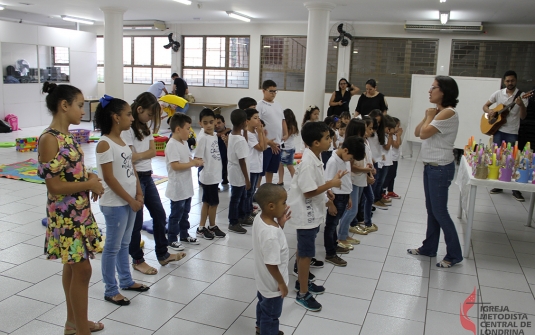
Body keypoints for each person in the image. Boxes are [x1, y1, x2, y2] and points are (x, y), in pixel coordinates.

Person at [38, 82, 105, 335]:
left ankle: (74, 322)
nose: (82, 110)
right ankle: (80, 330)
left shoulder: (69, 136)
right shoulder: (49, 139)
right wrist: (89, 183)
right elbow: (54, 186)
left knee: (73, 265)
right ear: (64, 106)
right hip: (66, 217)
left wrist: (90, 178)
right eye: (79, 105)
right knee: (83, 269)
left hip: (79, 212)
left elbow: (71, 171)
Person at [94, 95, 150, 306]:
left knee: (125, 243)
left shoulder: (123, 141)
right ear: (116, 117)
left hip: (129, 201)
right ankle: (111, 289)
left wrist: (139, 194)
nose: (132, 119)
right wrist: (130, 200)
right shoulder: (104, 144)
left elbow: (131, 170)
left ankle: (126, 280)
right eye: (128, 114)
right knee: (112, 247)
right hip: (115, 204)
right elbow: (109, 178)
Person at [286, 121, 346, 312]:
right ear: (315, 142)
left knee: (304, 251)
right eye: (327, 138)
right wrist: (331, 185)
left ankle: (301, 283)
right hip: (306, 215)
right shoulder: (308, 163)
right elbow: (308, 192)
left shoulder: (315, 158)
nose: (331, 140)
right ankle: (303, 294)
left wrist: (326, 190)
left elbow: (315, 185)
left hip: (312, 213)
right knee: (305, 255)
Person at [123, 92, 183, 276]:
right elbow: (130, 157)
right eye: (149, 114)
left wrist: (141, 155)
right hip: (135, 178)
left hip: (148, 176)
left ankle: (163, 254)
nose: (150, 119)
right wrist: (142, 155)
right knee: (136, 222)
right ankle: (138, 260)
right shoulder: (127, 129)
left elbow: (152, 151)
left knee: (159, 214)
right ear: (139, 109)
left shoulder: (145, 126)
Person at [409, 75, 463, 268]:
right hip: (431, 167)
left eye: (434, 88)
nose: (429, 91)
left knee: (440, 212)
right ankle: (429, 248)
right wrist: (427, 115)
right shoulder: (437, 112)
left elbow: (423, 133)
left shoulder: (448, 112)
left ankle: (454, 254)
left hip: (439, 169)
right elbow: (417, 132)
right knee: (432, 211)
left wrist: (430, 116)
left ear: (444, 91)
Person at [483, 70, 530, 201]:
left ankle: (515, 189)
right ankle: (498, 185)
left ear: (516, 81)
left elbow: (523, 116)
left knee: (512, 160)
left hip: (512, 132)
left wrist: (521, 106)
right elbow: (485, 106)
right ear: (504, 81)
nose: (510, 83)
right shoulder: (498, 93)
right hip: (498, 130)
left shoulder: (522, 96)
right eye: (508, 81)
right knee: (497, 158)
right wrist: (490, 111)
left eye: (512, 81)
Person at [252, 184, 292, 335]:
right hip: (273, 285)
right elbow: (271, 263)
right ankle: (267, 331)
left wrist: (280, 224)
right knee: (271, 316)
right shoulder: (271, 234)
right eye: (284, 202)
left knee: (262, 305)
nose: (286, 205)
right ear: (271, 206)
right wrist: (281, 283)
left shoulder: (259, 218)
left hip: (263, 280)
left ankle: (260, 328)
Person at [323, 136, 365, 267]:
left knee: (334, 224)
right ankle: (330, 253)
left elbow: (346, 180)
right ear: (345, 150)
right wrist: (330, 204)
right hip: (335, 198)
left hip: (344, 196)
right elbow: (327, 184)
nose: (351, 161)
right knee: (330, 226)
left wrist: (349, 196)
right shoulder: (332, 162)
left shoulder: (345, 159)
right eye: (351, 157)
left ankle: (334, 245)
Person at [166, 113, 203, 250]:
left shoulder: (184, 143)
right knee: (176, 214)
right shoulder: (172, 145)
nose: (190, 131)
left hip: (186, 185)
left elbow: (187, 160)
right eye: (188, 128)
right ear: (178, 129)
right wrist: (193, 163)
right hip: (177, 187)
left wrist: (196, 161)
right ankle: (172, 238)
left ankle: (184, 234)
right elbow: (175, 165)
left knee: (185, 212)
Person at [195, 108, 227, 239]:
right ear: (200, 123)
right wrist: (206, 168)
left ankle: (205, 227)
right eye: (205, 122)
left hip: (214, 175)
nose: (209, 125)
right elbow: (198, 158)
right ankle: (207, 226)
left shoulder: (213, 135)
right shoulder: (202, 138)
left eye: (211, 122)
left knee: (207, 202)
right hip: (208, 176)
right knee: (213, 203)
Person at [338, 119, 372, 242]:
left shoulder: (361, 143)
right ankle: (341, 237)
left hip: (360, 179)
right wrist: (364, 170)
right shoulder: (351, 145)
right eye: (364, 129)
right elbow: (351, 166)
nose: (367, 131)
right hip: (353, 180)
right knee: (352, 210)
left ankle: (345, 234)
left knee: (354, 209)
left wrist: (368, 173)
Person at [257, 80, 288, 184]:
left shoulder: (278, 105)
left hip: (277, 143)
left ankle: (268, 188)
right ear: (263, 91)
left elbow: (283, 120)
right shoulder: (260, 105)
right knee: (261, 170)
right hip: (266, 144)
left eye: (275, 91)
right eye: (271, 91)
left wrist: (286, 133)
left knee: (271, 169)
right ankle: (256, 191)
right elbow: (257, 125)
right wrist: (267, 141)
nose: (273, 94)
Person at [227, 109, 251, 234]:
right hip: (238, 172)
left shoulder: (233, 134)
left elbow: (244, 144)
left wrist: (245, 131)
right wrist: (247, 179)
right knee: (236, 198)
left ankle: (241, 217)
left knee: (241, 196)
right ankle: (233, 222)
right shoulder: (239, 139)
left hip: (233, 170)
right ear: (243, 122)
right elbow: (242, 161)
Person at [245, 108, 266, 225]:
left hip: (257, 165)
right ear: (247, 121)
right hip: (251, 166)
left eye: (258, 118)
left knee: (252, 190)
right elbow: (261, 148)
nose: (258, 120)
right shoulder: (249, 134)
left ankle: (249, 210)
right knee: (249, 191)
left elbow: (265, 146)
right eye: (255, 118)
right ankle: (246, 213)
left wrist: (260, 133)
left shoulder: (255, 133)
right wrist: (261, 133)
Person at [278, 109, 299, 186]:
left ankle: (295, 181)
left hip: (287, 149)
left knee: (289, 165)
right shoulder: (290, 126)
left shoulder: (291, 127)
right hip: (284, 148)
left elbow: (285, 137)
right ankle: (280, 181)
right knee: (280, 164)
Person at [384, 117, 403, 199]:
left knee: (393, 175)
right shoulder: (390, 136)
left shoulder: (395, 135)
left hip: (395, 159)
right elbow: (396, 144)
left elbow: (400, 143)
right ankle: (383, 191)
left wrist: (398, 136)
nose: (398, 128)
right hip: (390, 159)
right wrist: (398, 135)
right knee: (388, 176)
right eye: (397, 126)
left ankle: (390, 191)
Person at [214, 114, 232, 185]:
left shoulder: (230, 133)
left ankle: (225, 178)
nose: (217, 126)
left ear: (224, 123)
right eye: (215, 124)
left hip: (227, 159)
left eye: (219, 123)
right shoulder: (212, 134)